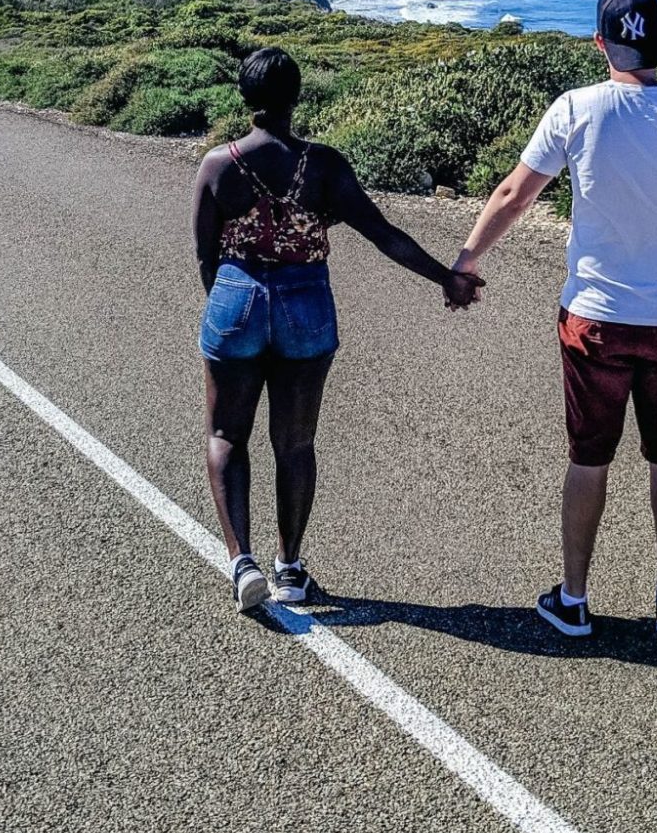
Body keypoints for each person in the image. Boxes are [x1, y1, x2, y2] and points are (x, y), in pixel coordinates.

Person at [453, 0, 657, 639]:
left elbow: (513, 193)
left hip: (593, 320)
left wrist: (467, 259)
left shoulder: (575, 109)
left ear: (600, 44)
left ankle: (574, 598)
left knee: (589, 456)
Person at [195, 46, 483, 612]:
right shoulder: (323, 166)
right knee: (295, 443)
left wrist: (229, 309)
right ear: (297, 97)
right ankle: (291, 569)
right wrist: (445, 278)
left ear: (244, 98)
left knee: (228, 435)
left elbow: (205, 253)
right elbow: (382, 233)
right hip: (306, 305)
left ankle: (241, 563)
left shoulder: (217, 166)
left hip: (236, 300)